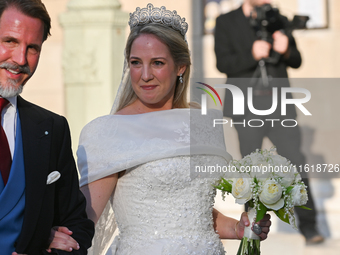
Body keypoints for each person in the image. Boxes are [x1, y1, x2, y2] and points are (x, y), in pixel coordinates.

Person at [77, 3, 271, 255]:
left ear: (181, 67)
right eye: (136, 63)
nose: (144, 75)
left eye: (157, 63)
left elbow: (193, 213)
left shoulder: (203, 122)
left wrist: (237, 228)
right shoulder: (108, 132)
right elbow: (82, 222)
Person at [214, 0, 324, 244]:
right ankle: (250, 229)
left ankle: (309, 227)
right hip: (246, 107)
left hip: (279, 106)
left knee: (296, 163)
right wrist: (251, 54)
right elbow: (223, 63)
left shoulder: (278, 19)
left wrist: (286, 50)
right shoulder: (226, 21)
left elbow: (296, 60)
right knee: (251, 170)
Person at [0, 0, 94, 254]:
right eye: (9, 41)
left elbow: (77, 225)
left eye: (32, 48)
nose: (20, 59)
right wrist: (42, 236)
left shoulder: (52, 127)